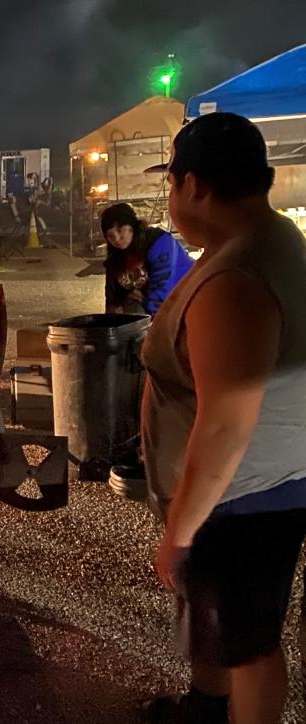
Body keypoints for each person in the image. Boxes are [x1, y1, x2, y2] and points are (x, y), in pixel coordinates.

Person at [141, 112, 306, 724]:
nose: (170, 199)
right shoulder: (272, 240)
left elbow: (225, 424)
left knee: (249, 646)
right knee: (228, 627)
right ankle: (206, 707)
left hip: (241, 497)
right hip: (258, 487)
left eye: (171, 185)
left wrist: (179, 532)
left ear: (197, 187)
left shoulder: (235, 277)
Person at [101, 202, 194, 315]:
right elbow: (112, 300)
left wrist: (146, 303)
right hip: (149, 303)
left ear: (132, 226)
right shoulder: (116, 258)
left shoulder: (160, 243)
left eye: (120, 230)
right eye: (110, 236)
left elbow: (162, 290)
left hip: (186, 298)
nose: (116, 238)